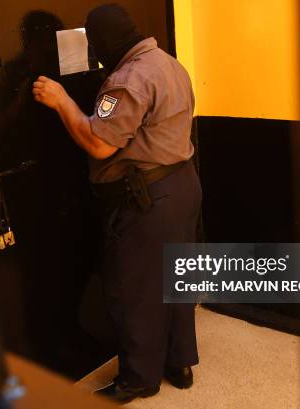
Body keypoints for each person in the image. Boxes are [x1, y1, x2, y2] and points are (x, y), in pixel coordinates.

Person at [32, 4, 201, 404]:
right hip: (182, 186)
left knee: (133, 290)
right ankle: (178, 361)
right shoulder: (168, 63)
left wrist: (60, 101)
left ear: (103, 41)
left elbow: (99, 142)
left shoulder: (128, 79)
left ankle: (139, 379)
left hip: (144, 199)